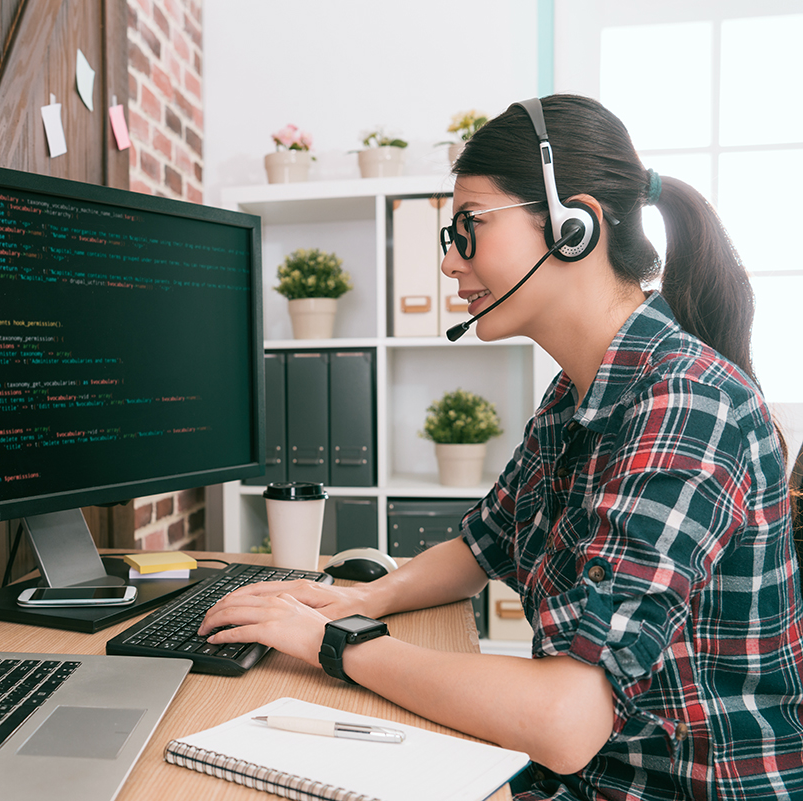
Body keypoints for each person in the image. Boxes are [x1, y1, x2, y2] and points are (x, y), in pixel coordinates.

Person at [200, 94, 803, 799]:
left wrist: (334, 646)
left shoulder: (687, 401)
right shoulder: (575, 394)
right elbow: (484, 544)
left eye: (469, 227)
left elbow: (565, 718)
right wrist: (358, 600)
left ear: (573, 225)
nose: (453, 262)